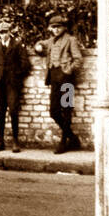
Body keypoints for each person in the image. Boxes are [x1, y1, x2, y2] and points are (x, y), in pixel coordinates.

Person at [38, 13, 84, 154]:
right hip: (54, 78)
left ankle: (64, 142)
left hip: (66, 79)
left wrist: (68, 71)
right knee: (54, 111)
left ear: (64, 28)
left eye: (59, 27)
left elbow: (78, 59)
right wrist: (38, 46)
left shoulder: (71, 40)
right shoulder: (51, 41)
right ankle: (73, 138)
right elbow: (40, 45)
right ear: (50, 29)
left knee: (66, 109)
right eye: (53, 27)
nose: (56, 30)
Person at [0, 19, 30, 152]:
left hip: (12, 84)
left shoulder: (17, 45)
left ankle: (15, 141)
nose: (3, 35)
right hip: (0, 84)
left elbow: (25, 65)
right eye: (0, 32)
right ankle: (0, 141)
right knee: (0, 112)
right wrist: (0, 74)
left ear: (10, 32)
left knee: (13, 111)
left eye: (5, 32)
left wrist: (15, 74)